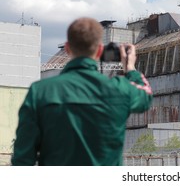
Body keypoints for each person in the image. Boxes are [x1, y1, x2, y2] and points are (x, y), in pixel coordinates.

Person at [11, 17, 153, 166]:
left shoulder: (40, 91)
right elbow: (146, 96)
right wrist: (130, 68)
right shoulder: (119, 89)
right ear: (99, 50)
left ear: (67, 48)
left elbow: (22, 158)